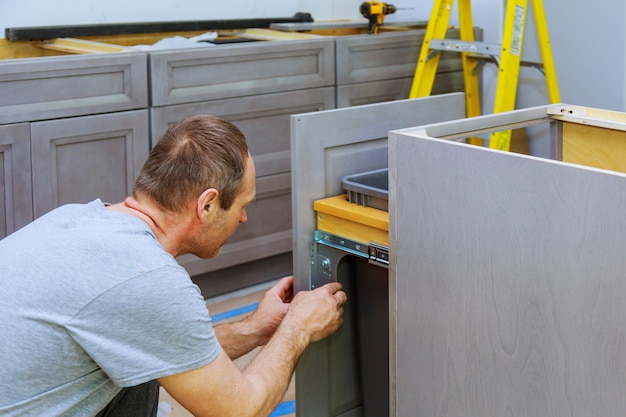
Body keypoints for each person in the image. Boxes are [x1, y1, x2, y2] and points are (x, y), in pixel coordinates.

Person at [0, 115, 347, 416]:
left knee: (139, 372)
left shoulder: (79, 218)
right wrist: (297, 328)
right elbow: (240, 409)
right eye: (242, 204)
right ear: (208, 205)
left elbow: (170, 346)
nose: (243, 218)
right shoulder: (147, 278)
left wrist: (257, 328)